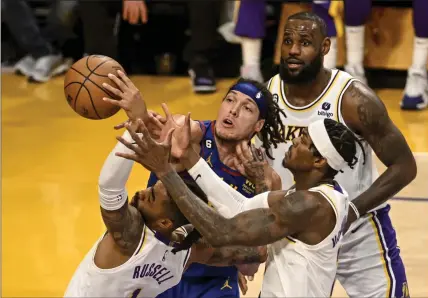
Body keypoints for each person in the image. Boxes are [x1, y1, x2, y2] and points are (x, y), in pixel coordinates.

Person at [256, 11, 416, 297]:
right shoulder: (269, 96)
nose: (293, 50)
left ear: (325, 47)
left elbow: (404, 166)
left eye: (305, 42)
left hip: (357, 233)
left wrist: (351, 212)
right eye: (288, 40)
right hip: (296, 235)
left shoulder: (353, 99)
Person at [114, 116, 363, 297]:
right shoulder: (318, 196)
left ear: (319, 160)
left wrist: (166, 172)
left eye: (304, 141)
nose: (294, 142)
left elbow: (222, 232)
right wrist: (190, 156)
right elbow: (239, 206)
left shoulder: (308, 205)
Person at [101, 72, 285, 298]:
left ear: (259, 125)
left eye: (247, 108)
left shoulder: (265, 179)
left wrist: (259, 188)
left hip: (213, 280)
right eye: (230, 100)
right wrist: (139, 116)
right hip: (156, 268)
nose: (233, 110)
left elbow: (251, 264)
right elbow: (151, 141)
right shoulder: (189, 133)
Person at [63, 119, 267, 298]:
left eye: (150, 197)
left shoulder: (131, 235)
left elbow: (109, 187)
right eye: (151, 188)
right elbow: (256, 252)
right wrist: (261, 186)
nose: (140, 193)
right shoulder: (187, 251)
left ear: (165, 223)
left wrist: (134, 131)